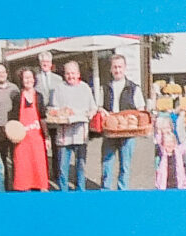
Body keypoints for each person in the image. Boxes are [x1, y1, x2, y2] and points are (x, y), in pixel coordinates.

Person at [95, 56, 141, 189]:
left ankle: (122, 192)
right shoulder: (105, 88)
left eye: (120, 67)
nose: (117, 70)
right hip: (110, 131)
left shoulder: (134, 88)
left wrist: (131, 119)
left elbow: (141, 109)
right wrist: (102, 111)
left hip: (128, 133)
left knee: (125, 166)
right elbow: (98, 107)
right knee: (106, 164)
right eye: (115, 67)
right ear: (111, 69)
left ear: (125, 68)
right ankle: (106, 191)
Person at [51, 57, 95, 190]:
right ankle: (63, 191)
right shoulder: (59, 89)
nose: (71, 76)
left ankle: (80, 190)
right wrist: (62, 113)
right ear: (64, 75)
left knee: (80, 165)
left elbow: (92, 107)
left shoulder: (85, 88)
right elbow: (54, 109)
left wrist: (90, 114)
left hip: (80, 134)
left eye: (73, 73)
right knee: (63, 167)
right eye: (68, 73)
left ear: (78, 74)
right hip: (64, 136)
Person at [10, 67, 52, 193]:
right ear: (21, 80)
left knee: (39, 165)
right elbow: (13, 119)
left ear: (34, 79)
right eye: (25, 78)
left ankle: (42, 188)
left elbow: (43, 118)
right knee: (23, 166)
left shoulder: (38, 96)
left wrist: (47, 137)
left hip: (37, 138)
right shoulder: (17, 98)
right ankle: (24, 189)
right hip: (22, 140)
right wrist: (14, 134)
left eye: (30, 77)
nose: (28, 80)